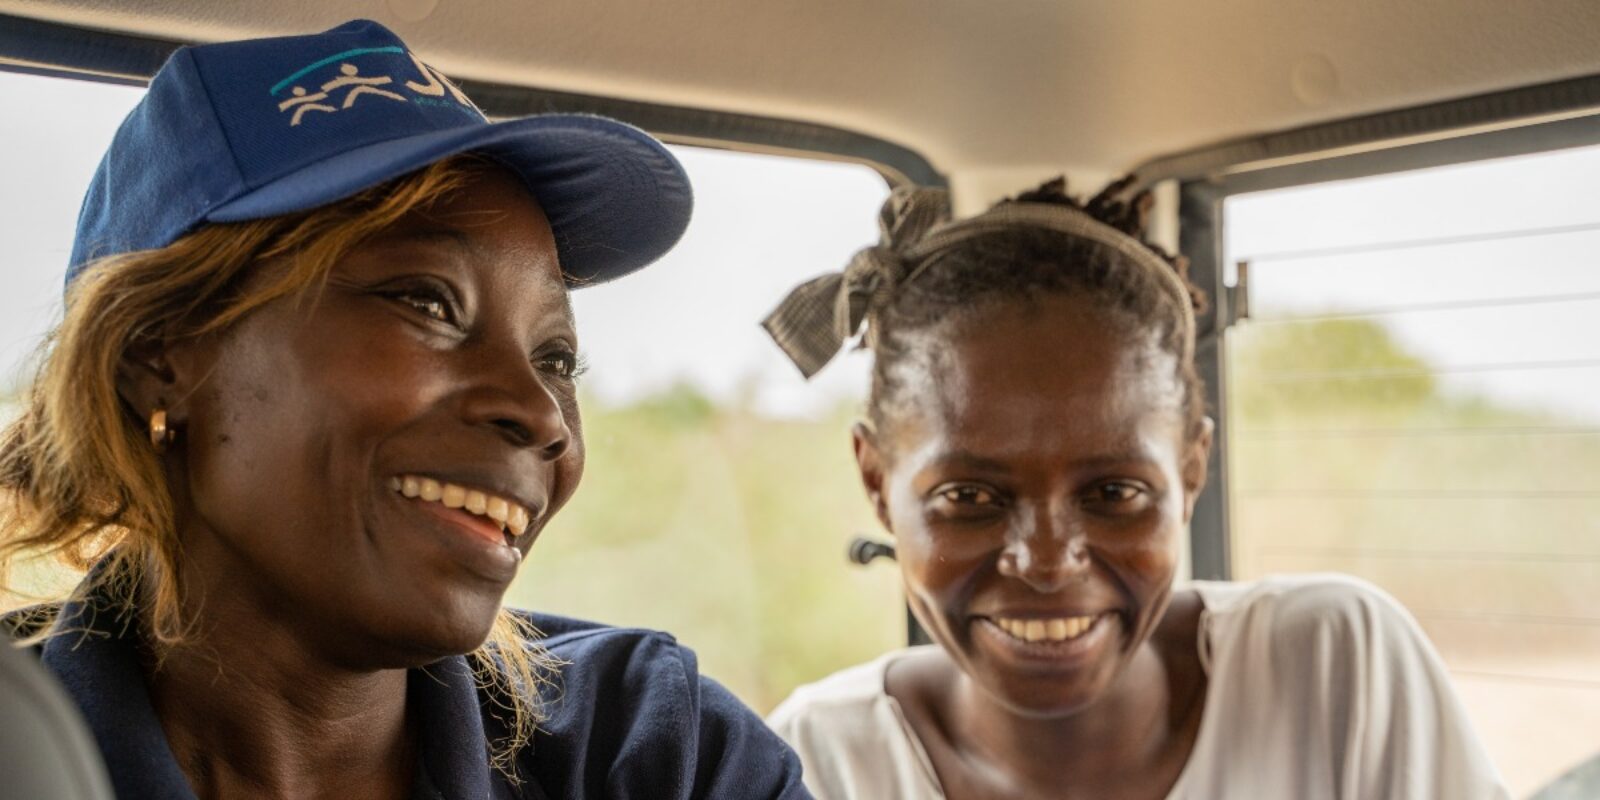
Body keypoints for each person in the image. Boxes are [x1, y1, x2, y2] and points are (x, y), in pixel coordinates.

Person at [0, 20, 808, 800]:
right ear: (156, 353)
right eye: (426, 302)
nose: (540, 412)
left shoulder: (660, 757)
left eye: (555, 358)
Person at [761, 179, 1510, 799]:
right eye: (969, 497)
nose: (1048, 563)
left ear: (1191, 470)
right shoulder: (818, 764)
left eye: (1115, 492)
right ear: (875, 481)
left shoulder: (1331, 668)